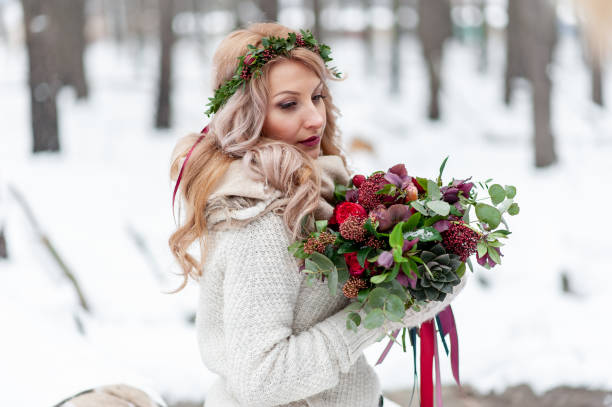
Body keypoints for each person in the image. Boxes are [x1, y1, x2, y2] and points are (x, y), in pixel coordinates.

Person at [169, 22, 468, 407]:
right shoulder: (258, 222)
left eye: (317, 96)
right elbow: (262, 380)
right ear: (247, 116)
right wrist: (380, 311)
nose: (315, 118)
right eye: (289, 104)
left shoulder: (318, 194)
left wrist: (430, 269)